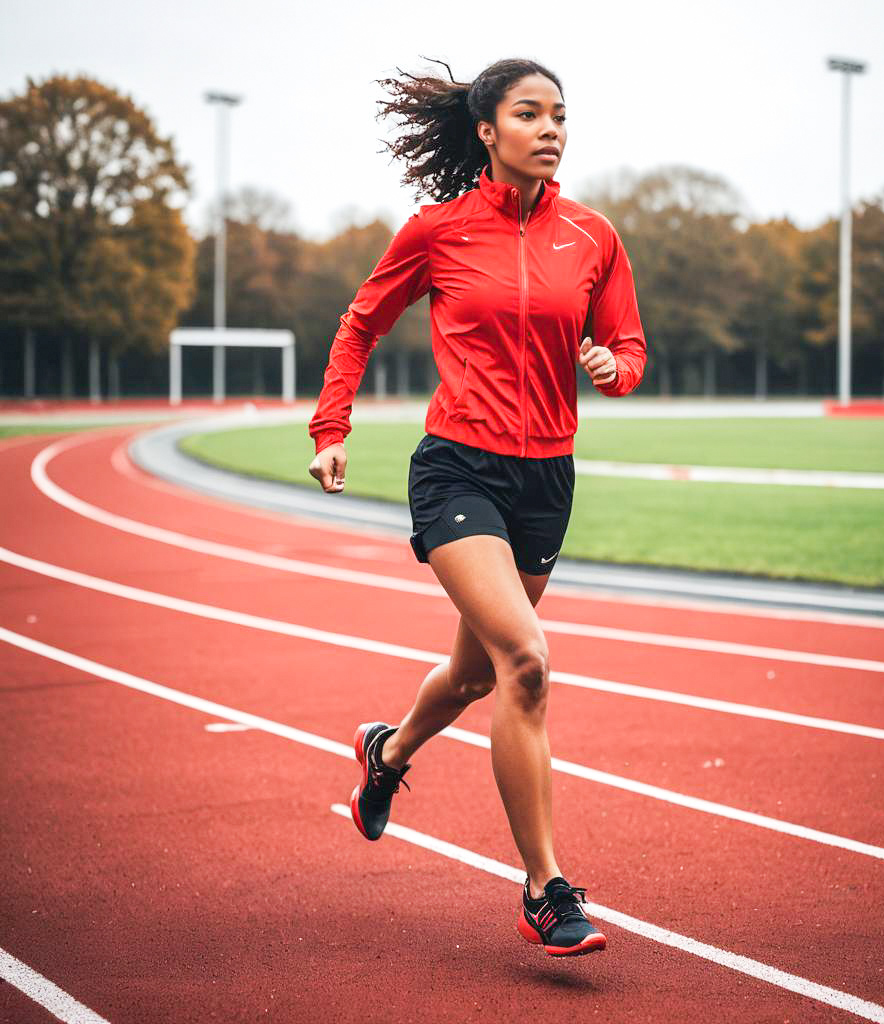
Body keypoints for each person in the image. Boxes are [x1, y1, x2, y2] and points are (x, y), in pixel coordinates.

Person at [308, 56, 646, 958]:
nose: (550, 129)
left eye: (560, 115)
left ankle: (386, 753)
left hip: (547, 478)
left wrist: (616, 369)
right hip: (458, 468)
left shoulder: (593, 235)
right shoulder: (440, 230)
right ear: (487, 131)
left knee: (471, 675)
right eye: (529, 114)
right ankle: (546, 888)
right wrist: (329, 428)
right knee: (525, 664)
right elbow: (363, 319)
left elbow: (627, 341)